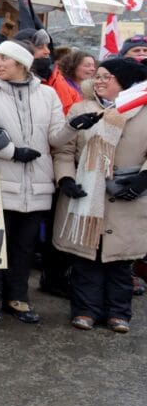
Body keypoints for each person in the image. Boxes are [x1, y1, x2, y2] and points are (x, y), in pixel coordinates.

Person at [0, 40, 76, 324]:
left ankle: (17, 296)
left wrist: (72, 127)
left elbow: (54, 137)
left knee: (24, 246)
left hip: (36, 184)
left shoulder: (48, 95)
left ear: (22, 64)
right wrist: (13, 152)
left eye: (4, 59)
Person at [53, 58, 147, 333]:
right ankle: (85, 310)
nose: (100, 81)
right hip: (86, 194)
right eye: (98, 76)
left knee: (120, 261)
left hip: (127, 194)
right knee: (86, 257)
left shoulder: (142, 111)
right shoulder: (82, 109)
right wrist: (66, 178)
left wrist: (144, 177)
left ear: (125, 82)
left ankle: (119, 313)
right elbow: (64, 150)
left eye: (108, 76)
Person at [18, 29, 81, 114]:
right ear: (23, 51)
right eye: (40, 47)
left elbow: (77, 105)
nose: (47, 51)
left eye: (47, 46)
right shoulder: (16, 82)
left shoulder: (56, 76)